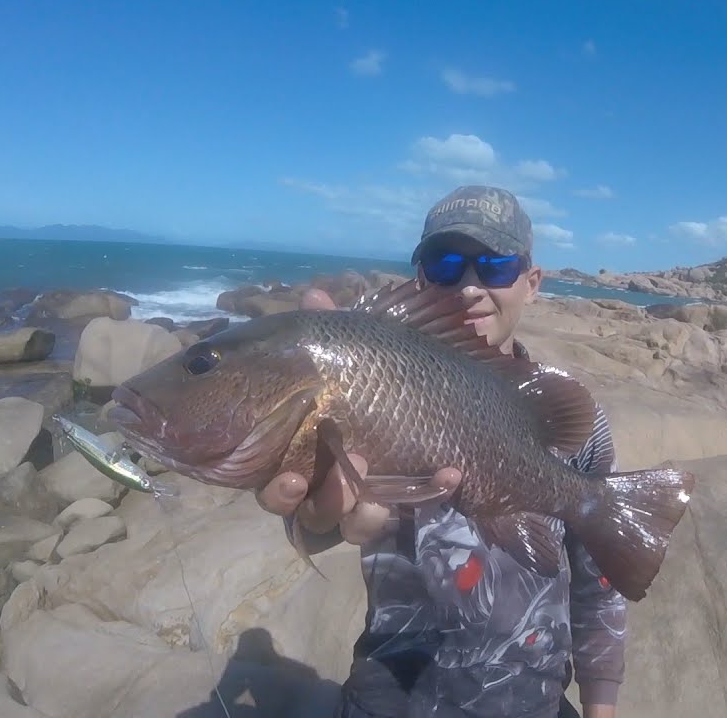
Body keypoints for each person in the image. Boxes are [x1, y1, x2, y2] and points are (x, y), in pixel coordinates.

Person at [255, 185, 626, 718]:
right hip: (392, 701)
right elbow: (313, 513)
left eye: (496, 266)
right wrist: (314, 524)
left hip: (535, 702)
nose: (470, 287)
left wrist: (601, 706)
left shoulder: (568, 417)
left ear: (532, 283)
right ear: (421, 280)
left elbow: (599, 581)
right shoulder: (368, 386)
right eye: (445, 265)